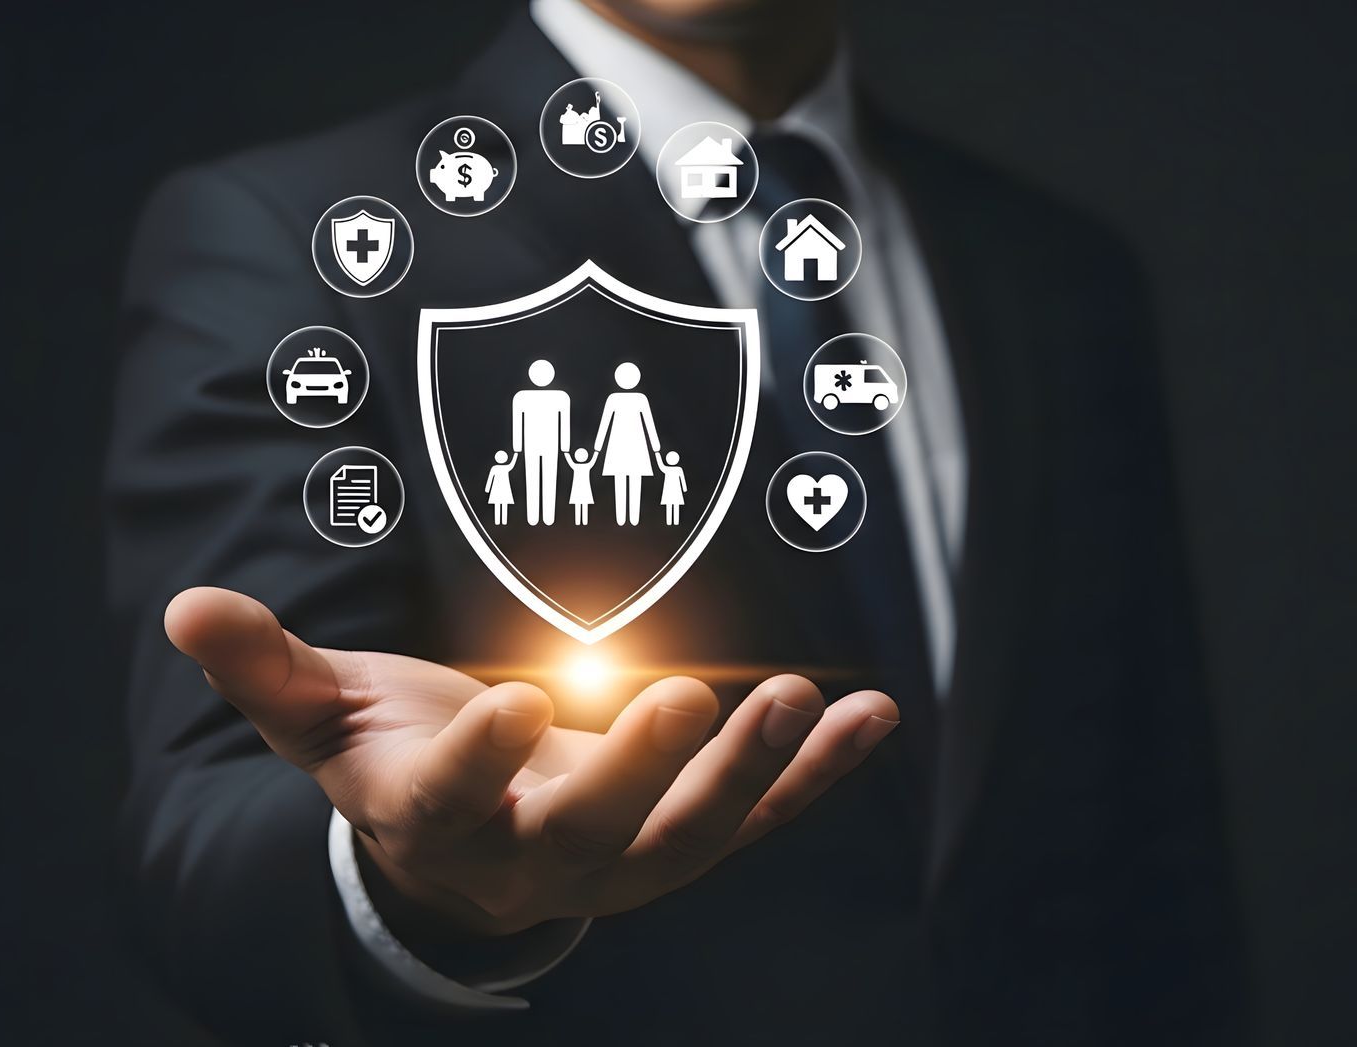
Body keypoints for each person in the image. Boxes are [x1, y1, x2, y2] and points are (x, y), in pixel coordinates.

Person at [107, 0, 1243, 1042]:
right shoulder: (299, 239)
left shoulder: (1057, 275)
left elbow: (1155, 822)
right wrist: (411, 883)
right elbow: (216, 825)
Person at [591, 361, 663, 526]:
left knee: (633, 479)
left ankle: (631, 517)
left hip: (636, 445)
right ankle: (623, 517)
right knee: (621, 479)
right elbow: (605, 424)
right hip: (619, 445)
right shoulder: (614, 399)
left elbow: (649, 424)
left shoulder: (640, 399)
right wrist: (597, 448)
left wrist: (656, 448)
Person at [511, 359, 572, 525]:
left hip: (549, 443)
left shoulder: (561, 397)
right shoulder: (521, 397)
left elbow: (564, 424)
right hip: (532, 443)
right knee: (532, 476)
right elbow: (518, 424)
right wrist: (517, 448)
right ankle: (534, 516)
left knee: (549, 477)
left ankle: (547, 516)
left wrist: (565, 447)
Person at [485, 450, 518, 525]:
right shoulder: (496, 468)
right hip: (498, 489)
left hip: (503, 489)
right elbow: (490, 478)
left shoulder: (502, 468)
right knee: (499, 505)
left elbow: (511, 465)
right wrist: (515, 455)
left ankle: (503, 521)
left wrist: (516, 455)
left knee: (503, 505)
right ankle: (499, 521)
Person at [566, 446, 596, 525]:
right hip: (580, 488)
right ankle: (580, 522)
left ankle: (580, 522)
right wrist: (596, 452)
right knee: (580, 505)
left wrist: (566, 453)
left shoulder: (578, 466)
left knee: (581, 505)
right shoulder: (585, 466)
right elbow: (593, 460)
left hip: (582, 488)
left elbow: (569, 461)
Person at [656, 449, 686, 525]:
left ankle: (675, 522)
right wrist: (657, 455)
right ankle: (669, 522)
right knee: (669, 506)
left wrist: (684, 488)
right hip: (668, 491)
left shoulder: (678, 469)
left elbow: (682, 479)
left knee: (675, 506)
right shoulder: (669, 469)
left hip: (676, 491)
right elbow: (661, 466)